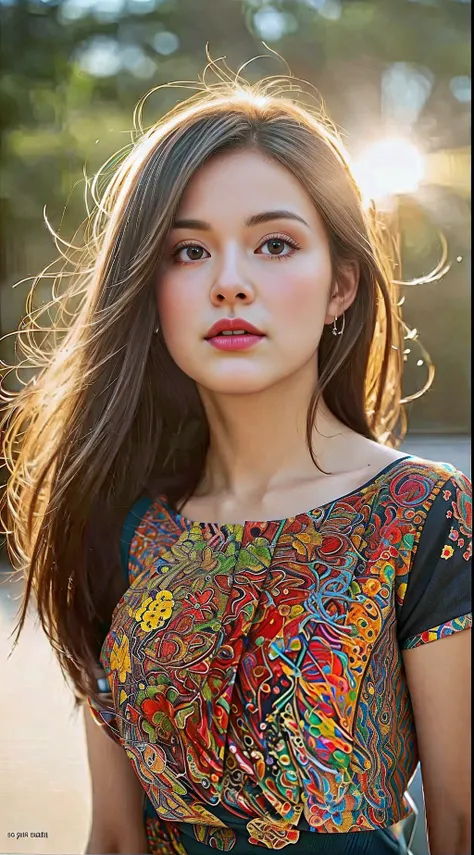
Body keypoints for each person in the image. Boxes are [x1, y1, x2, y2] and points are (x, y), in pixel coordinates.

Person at [1, 73, 471, 855]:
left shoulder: (423, 514)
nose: (229, 283)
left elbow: (460, 824)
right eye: (189, 251)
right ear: (151, 294)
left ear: (340, 286)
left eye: (275, 244)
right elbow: (114, 836)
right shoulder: (122, 527)